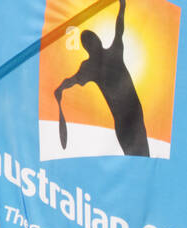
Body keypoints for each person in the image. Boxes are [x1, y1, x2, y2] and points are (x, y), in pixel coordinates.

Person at [54, 0, 149, 157]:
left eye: (92, 38)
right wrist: (61, 88)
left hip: (133, 114)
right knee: (136, 156)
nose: (93, 41)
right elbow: (70, 80)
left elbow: (120, 26)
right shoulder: (92, 66)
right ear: (88, 46)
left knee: (141, 154)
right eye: (89, 40)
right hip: (125, 119)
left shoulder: (100, 61)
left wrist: (122, 6)